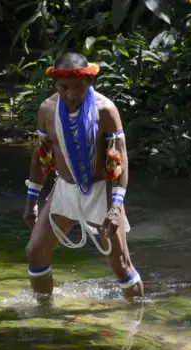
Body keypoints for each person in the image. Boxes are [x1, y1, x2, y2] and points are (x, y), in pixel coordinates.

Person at [22, 52, 143, 303]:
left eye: (77, 87)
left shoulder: (105, 110)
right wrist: (31, 200)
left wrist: (115, 208)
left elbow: (119, 158)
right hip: (65, 189)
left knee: (120, 263)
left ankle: (138, 320)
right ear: (55, 84)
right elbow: (40, 154)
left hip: (101, 191)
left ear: (89, 82)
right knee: (35, 252)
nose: (70, 93)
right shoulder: (47, 109)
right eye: (63, 87)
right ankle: (45, 314)